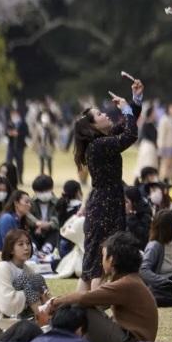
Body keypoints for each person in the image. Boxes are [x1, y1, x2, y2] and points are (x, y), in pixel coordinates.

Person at [73, 77, 144, 289]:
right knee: (99, 265)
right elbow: (130, 135)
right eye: (99, 115)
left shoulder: (99, 142)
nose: (105, 114)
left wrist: (135, 100)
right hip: (105, 205)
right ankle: (94, 311)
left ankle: (83, 311)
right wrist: (125, 109)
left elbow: (125, 127)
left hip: (104, 202)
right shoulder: (99, 145)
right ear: (92, 127)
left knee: (92, 264)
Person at [46, 232, 158, 342]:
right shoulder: (131, 280)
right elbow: (98, 303)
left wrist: (54, 302)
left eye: (103, 256)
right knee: (87, 307)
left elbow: (83, 298)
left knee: (82, 308)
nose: (101, 260)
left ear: (112, 260)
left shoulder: (126, 283)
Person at [0, 229, 51, 319]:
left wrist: (44, 295)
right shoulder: (3, 267)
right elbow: (6, 303)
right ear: (11, 249)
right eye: (21, 244)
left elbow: (40, 289)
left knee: (37, 278)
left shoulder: (28, 269)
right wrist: (33, 293)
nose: (26, 247)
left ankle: (47, 312)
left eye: (28, 243)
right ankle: (43, 317)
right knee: (30, 281)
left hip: (24, 313)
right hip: (2, 316)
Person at [29, 175, 60, 255]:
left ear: (51, 188)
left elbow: (59, 218)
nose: (43, 194)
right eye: (40, 192)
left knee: (56, 232)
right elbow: (27, 216)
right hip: (35, 231)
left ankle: (47, 249)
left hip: (51, 232)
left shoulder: (58, 202)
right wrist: (37, 224)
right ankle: (33, 247)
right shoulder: (31, 202)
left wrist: (48, 225)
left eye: (45, 191)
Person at [5, 108, 29, 184]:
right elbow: (6, 132)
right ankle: (9, 178)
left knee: (20, 163)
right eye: (12, 114)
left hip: (20, 146)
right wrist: (10, 133)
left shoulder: (23, 123)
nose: (14, 116)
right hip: (11, 146)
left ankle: (20, 178)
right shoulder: (9, 123)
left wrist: (18, 134)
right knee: (8, 162)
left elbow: (26, 133)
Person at [32, 111, 59, 177]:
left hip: (49, 146)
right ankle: (42, 175)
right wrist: (34, 145)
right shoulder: (38, 127)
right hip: (41, 146)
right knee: (41, 161)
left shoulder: (52, 127)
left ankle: (50, 175)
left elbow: (56, 136)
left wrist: (50, 131)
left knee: (49, 161)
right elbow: (35, 137)